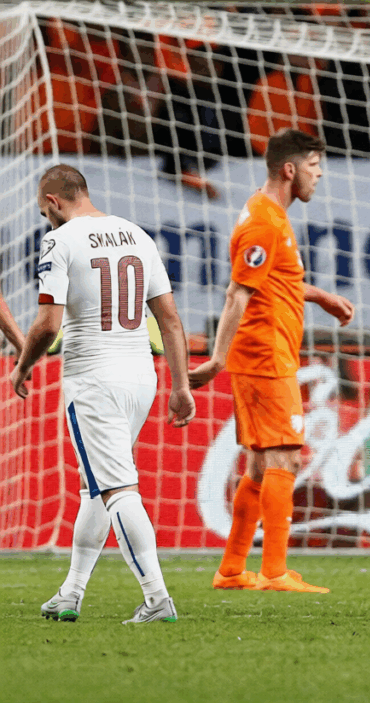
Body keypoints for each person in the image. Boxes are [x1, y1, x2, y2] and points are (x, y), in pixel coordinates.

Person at [11, 164, 195, 623]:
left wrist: (23, 364)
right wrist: (182, 385)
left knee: (116, 489)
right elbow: (169, 320)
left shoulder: (59, 239)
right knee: (96, 486)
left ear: (54, 201)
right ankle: (70, 593)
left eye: (43, 212)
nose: (45, 222)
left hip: (95, 378)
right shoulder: (137, 235)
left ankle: (157, 599)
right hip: (142, 378)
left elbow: (48, 324)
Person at [189, 129, 355, 593]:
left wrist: (319, 296)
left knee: (261, 467)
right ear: (290, 169)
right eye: (314, 167)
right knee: (285, 456)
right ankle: (276, 571)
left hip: (267, 352)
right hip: (264, 356)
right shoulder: (263, 222)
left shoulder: (269, 214)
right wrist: (216, 359)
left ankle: (231, 570)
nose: (318, 176)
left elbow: (270, 282)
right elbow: (236, 292)